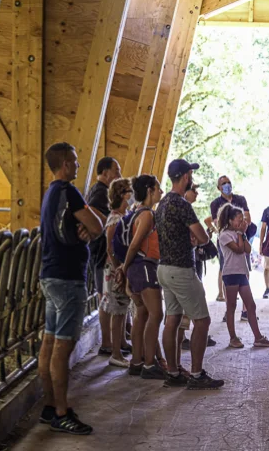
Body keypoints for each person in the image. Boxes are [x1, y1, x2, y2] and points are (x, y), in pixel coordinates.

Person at [38, 142, 103, 434]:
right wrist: (88, 229)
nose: (78, 165)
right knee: (62, 348)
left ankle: (50, 406)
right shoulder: (70, 192)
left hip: (50, 274)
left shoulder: (50, 194)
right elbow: (98, 225)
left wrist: (83, 230)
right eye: (74, 161)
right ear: (64, 164)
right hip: (68, 277)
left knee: (49, 343)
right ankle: (62, 413)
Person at [155, 159, 224, 390]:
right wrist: (197, 238)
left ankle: (173, 372)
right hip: (182, 269)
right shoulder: (182, 205)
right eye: (190, 175)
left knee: (172, 320)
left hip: (164, 269)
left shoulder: (163, 204)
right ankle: (196, 374)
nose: (192, 179)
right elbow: (202, 237)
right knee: (202, 321)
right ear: (185, 177)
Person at [119, 175, 165, 379]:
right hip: (145, 266)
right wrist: (124, 268)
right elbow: (135, 244)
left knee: (142, 314)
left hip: (137, 267)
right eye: (158, 188)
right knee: (156, 314)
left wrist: (127, 270)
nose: (161, 192)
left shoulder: (136, 211)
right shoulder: (147, 215)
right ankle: (148, 364)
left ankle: (136, 361)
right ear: (149, 190)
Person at [217, 203, 269, 348]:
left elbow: (247, 250)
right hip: (230, 274)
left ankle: (258, 337)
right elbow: (238, 249)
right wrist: (240, 234)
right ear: (230, 220)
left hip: (242, 273)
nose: (243, 223)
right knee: (231, 306)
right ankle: (233, 338)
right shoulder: (224, 235)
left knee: (251, 305)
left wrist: (242, 234)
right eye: (239, 219)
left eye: (243, 220)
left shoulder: (239, 234)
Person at [85, 157, 122, 356]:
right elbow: (101, 221)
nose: (118, 175)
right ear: (105, 172)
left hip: (103, 252)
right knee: (105, 298)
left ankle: (113, 340)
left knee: (108, 297)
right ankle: (107, 342)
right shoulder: (100, 193)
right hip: (102, 253)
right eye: (116, 170)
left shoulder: (99, 191)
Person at [205, 176, 251, 321]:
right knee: (226, 270)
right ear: (218, 188)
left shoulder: (241, 199)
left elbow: (247, 219)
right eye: (223, 183)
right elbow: (218, 223)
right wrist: (234, 229)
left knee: (245, 268)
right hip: (226, 241)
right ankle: (229, 306)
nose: (227, 185)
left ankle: (245, 309)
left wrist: (240, 231)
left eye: (228, 182)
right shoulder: (215, 203)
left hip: (241, 236)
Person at [100, 178, 133, 367]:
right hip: (115, 269)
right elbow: (110, 248)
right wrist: (119, 268)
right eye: (129, 191)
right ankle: (115, 353)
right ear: (122, 195)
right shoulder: (115, 219)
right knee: (117, 309)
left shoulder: (123, 216)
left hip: (119, 267)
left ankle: (120, 344)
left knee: (122, 308)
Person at [181, 185, 216, 351]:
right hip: (186, 264)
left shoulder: (174, 207)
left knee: (182, 306)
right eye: (193, 190)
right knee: (194, 305)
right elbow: (201, 238)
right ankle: (192, 336)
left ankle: (182, 339)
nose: (196, 193)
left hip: (183, 263)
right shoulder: (184, 209)